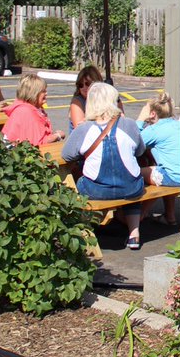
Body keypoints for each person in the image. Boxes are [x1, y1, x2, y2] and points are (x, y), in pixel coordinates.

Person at [62, 82, 146, 249]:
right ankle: (134, 234)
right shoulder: (129, 124)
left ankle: (87, 230)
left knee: (77, 182)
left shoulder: (84, 129)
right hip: (131, 188)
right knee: (132, 176)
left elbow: (67, 154)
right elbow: (140, 151)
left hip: (96, 190)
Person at [136, 91, 180, 225]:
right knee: (162, 168)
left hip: (173, 176)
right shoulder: (177, 124)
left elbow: (132, 143)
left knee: (135, 172)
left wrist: (140, 120)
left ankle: (139, 215)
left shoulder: (154, 130)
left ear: (153, 113)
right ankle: (170, 216)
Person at [1, 73, 64, 146]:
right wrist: (58, 135)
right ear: (33, 93)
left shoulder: (33, 108)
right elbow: (38, 143)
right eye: (43, 91)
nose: (46, 93)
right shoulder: (26, 112)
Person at [68, 65, 104, 132]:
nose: (84, 88)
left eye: (88, 84)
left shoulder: (108, 98)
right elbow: (80, 131)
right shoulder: (77, 103)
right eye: (80, 85)